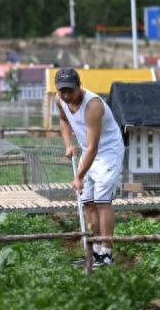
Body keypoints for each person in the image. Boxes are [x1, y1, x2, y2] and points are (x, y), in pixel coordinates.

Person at [55, 68, 125, 267]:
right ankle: (94, 252)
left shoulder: (93, 106)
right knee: (88, 202)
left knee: (102, 201)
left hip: (107, 152)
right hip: (89, 151)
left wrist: (78, 176)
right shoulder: (60, 100)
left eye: (70, 90)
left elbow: (94, 148)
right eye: (62, 91)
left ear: (79, 86)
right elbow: (63, 119)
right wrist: (68, 144)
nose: (66, 95)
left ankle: (107, 253)